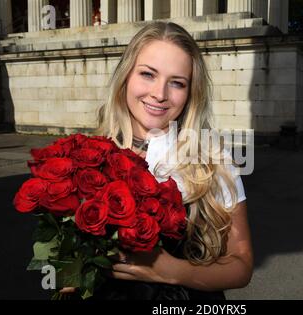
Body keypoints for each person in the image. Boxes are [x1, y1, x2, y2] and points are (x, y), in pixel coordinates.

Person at [62, 21, 253, 300]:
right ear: (126, 75)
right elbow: (67, 260)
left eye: (176, 83)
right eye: (148, 74)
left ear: (190, 93)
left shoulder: (215, 161)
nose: (160, 94)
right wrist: (70, 277)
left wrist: (172, 270)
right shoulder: (89, 156)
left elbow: (241, 267)